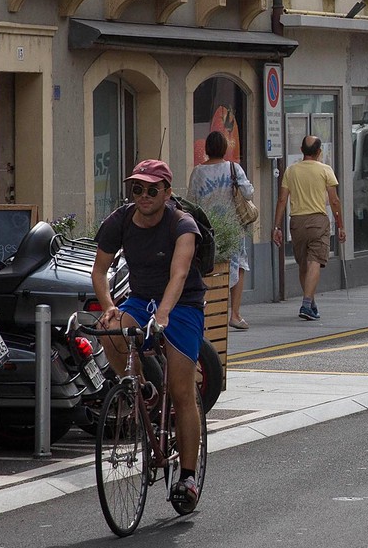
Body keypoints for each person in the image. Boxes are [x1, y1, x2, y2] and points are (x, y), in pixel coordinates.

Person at [91, 159, 205, 514]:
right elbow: (99, 270)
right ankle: (140, 386)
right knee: (109, 329)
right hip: (141, 298)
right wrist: (110, 305)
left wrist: (165, 314)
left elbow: (180, 274)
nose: (143, 196)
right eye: (137, 189)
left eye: (152, 189)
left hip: (182, 303)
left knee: (184, 390)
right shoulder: (121, 220)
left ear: (167, 193)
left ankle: (187, 477)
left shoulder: (181, 224)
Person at [187, 131, 255, 329]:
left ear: (207, 148)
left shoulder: (198, 172)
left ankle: (211, 314)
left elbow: (191, 201)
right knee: (238, 266)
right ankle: (234, 314)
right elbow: (248, 193)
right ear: (225, 148)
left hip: (207, 229)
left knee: (209, 268)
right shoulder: (234, 168)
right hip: (233, 227)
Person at [273, 135, 343, 321]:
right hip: (318, 221)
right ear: (319, 152)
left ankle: (310, 303)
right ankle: (306, 304)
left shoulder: (291, 171)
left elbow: (282, 200)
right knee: (314, 262)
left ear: (302, 150)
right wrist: (341, 225)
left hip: (296, 222)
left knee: (303, 264)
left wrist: (276, 226)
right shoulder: (325, 170)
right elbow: (334, 201)